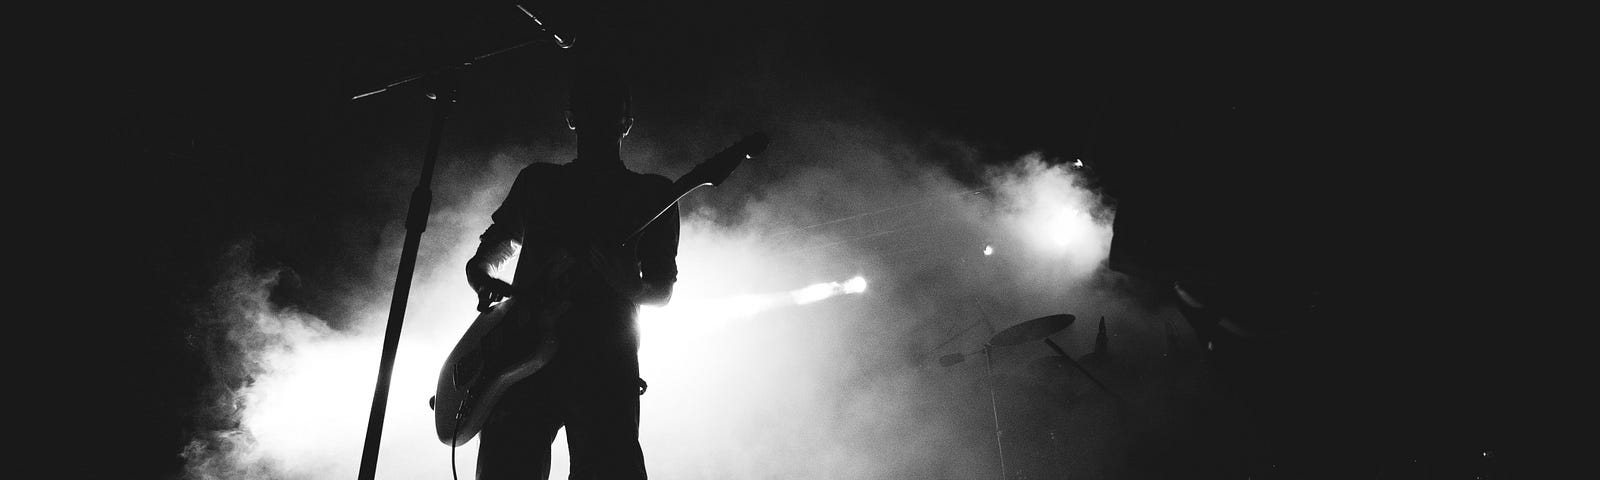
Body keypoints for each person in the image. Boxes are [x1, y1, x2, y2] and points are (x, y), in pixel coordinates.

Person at [465, 65, 679, 480]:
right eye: (590, 108)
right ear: (572, 117)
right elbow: (490, 252)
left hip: (603, 362)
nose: (598, 118)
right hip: (522, 357)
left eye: (608, 110)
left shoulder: (653, 195)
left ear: (626, 123)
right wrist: (482, 277)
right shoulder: (538, 182)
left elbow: (662, 291)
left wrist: (630, 286)